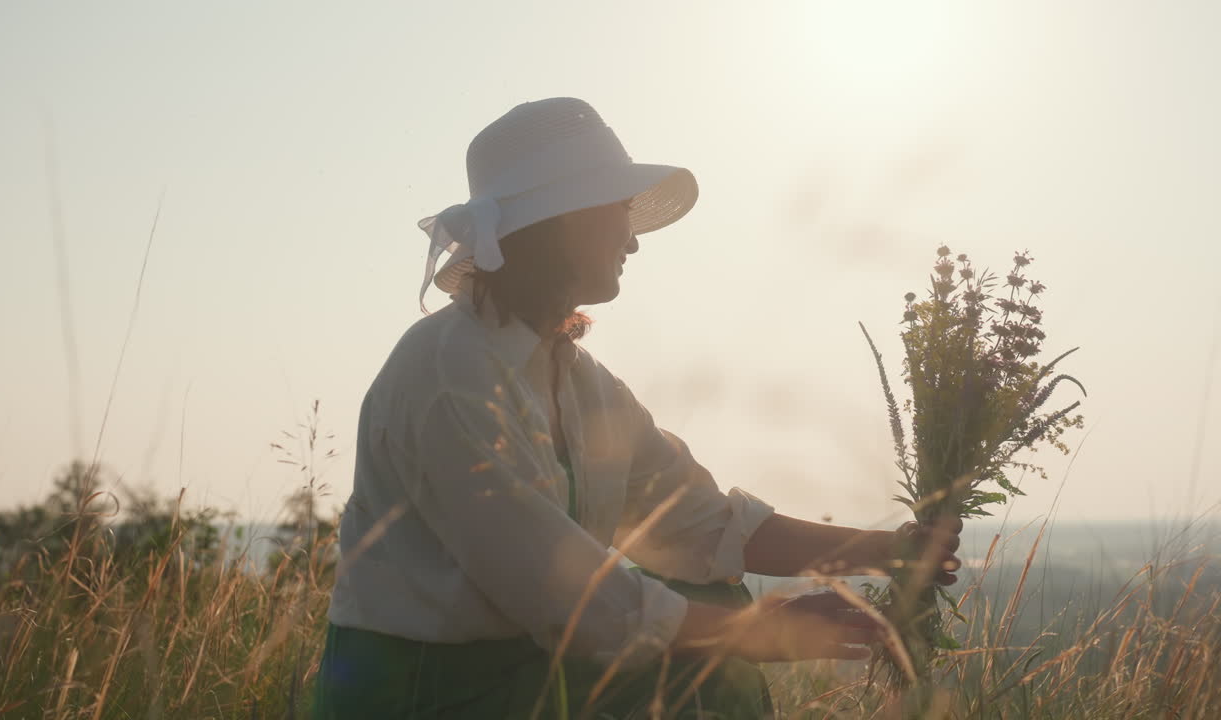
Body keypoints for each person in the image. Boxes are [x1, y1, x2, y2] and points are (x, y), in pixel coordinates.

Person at [313, 97, 961, 719]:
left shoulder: (580, 380)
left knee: (712, 594)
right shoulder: (448, 376)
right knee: (708, 653)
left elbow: (702, 524)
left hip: (529, 673)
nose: (634, 240)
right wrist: (759, 630)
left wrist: (889, 551)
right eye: (621, 209)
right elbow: (558, 593)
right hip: (423, 696)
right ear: (563, 220)